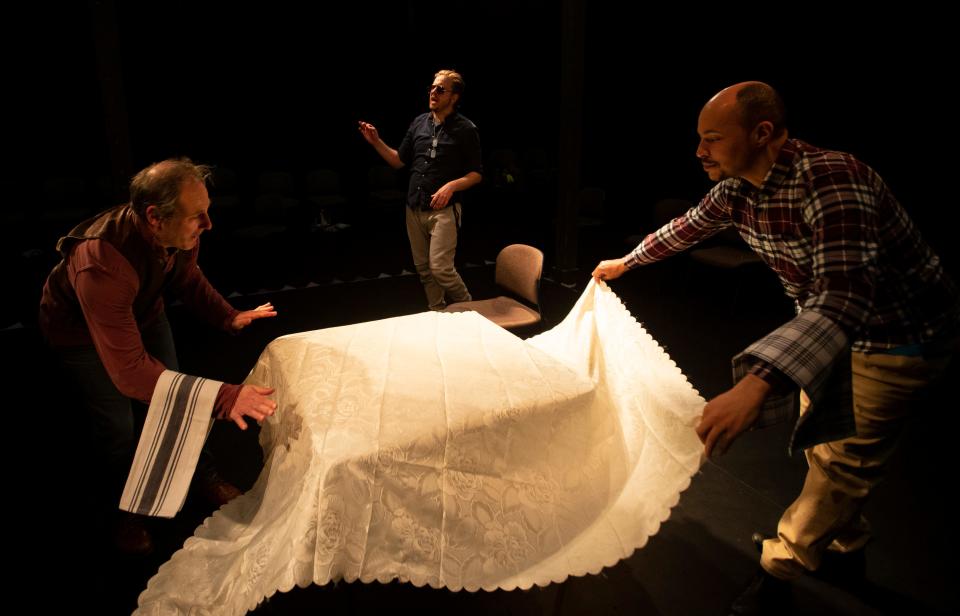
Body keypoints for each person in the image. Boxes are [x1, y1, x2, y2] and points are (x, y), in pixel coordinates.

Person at [592, 82, 959, 613]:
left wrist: (758, 382)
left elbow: (844, 298)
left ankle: (780, 568)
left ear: (762, 133)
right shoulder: (737, 188)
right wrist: (628, 261)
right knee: (822, 445)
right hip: (826, 328)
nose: (700, 152)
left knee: (841, 462)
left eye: (713, 139)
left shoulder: (833, 181)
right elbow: (687, 227)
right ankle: (846, 547)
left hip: (895, 336)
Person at [39, 158, 279, 555]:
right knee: (118, 425)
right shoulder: (102, 260)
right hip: (78, 334)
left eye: (208, 211)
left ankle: (201, 476)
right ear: (154, 217)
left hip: (143, 311)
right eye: (196, 216)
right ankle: (125, 513)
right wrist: (225, 396)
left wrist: (227, 315)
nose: (208, 224)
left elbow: (187, 276)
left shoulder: (178, 230)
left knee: (176, 400)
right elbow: (130, 373)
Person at [358, 69, 482, 310]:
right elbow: (397, 161)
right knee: (425, 270)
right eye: (432, 88)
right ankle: (437, 312)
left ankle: (471, 310)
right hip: (414, 207)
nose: (433, 93)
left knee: (441, 269)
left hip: (444, 210)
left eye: (440, 89)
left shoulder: (466, 129)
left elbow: (476, 174)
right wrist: (375, 141)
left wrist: (451, 185)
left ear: (454, 97)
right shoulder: (418, 123)